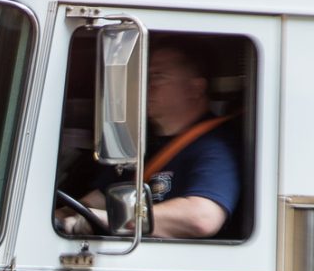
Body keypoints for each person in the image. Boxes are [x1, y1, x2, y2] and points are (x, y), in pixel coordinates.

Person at [57, 35, 241, 239]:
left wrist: (108, 219)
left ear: (195, 88)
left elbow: (202, 218)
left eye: (158, 77)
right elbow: (93, 203)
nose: (146, 86)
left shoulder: (216, 147)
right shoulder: (141, 146)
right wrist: (59, 218)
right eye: (145, 77)